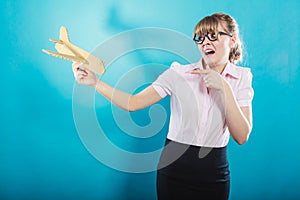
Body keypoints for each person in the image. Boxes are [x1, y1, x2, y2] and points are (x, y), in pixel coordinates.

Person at [72, 12, 254, 200]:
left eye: (213, 35)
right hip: (174, 171)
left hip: (214, 173)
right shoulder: (178, 74)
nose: (205, 42)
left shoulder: (242, 78)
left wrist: (224, 87)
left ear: (232, 40)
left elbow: (241, 136)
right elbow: (132, 103)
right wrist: (94, 82)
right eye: (200, 38)